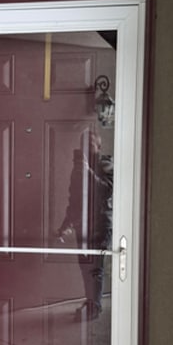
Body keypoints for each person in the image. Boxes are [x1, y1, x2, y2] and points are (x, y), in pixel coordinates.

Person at [57, 132, 113, 320]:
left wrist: (88, 171)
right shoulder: (78, 168)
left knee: (95, 268)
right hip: (83, 226)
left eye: (90, 144)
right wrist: (66, 225)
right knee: (85, 267)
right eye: (83, 144)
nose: (86, 148)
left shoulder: (106, 164)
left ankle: (94, 307)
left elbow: (106, 192)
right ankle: (91, 302)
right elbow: (74, 201)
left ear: (98, 147)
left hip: (101, 225)